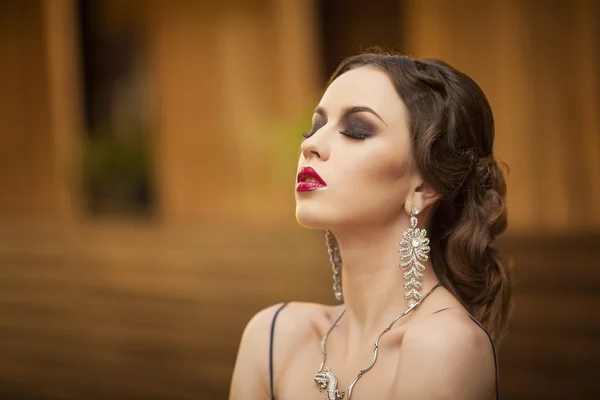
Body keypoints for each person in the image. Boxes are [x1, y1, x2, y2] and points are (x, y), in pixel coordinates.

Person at [229, 52, 512, 400]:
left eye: (355, 131)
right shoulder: (273, 336)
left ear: (424, 188)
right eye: (316, 127)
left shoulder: (444, 344)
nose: (310, 145)